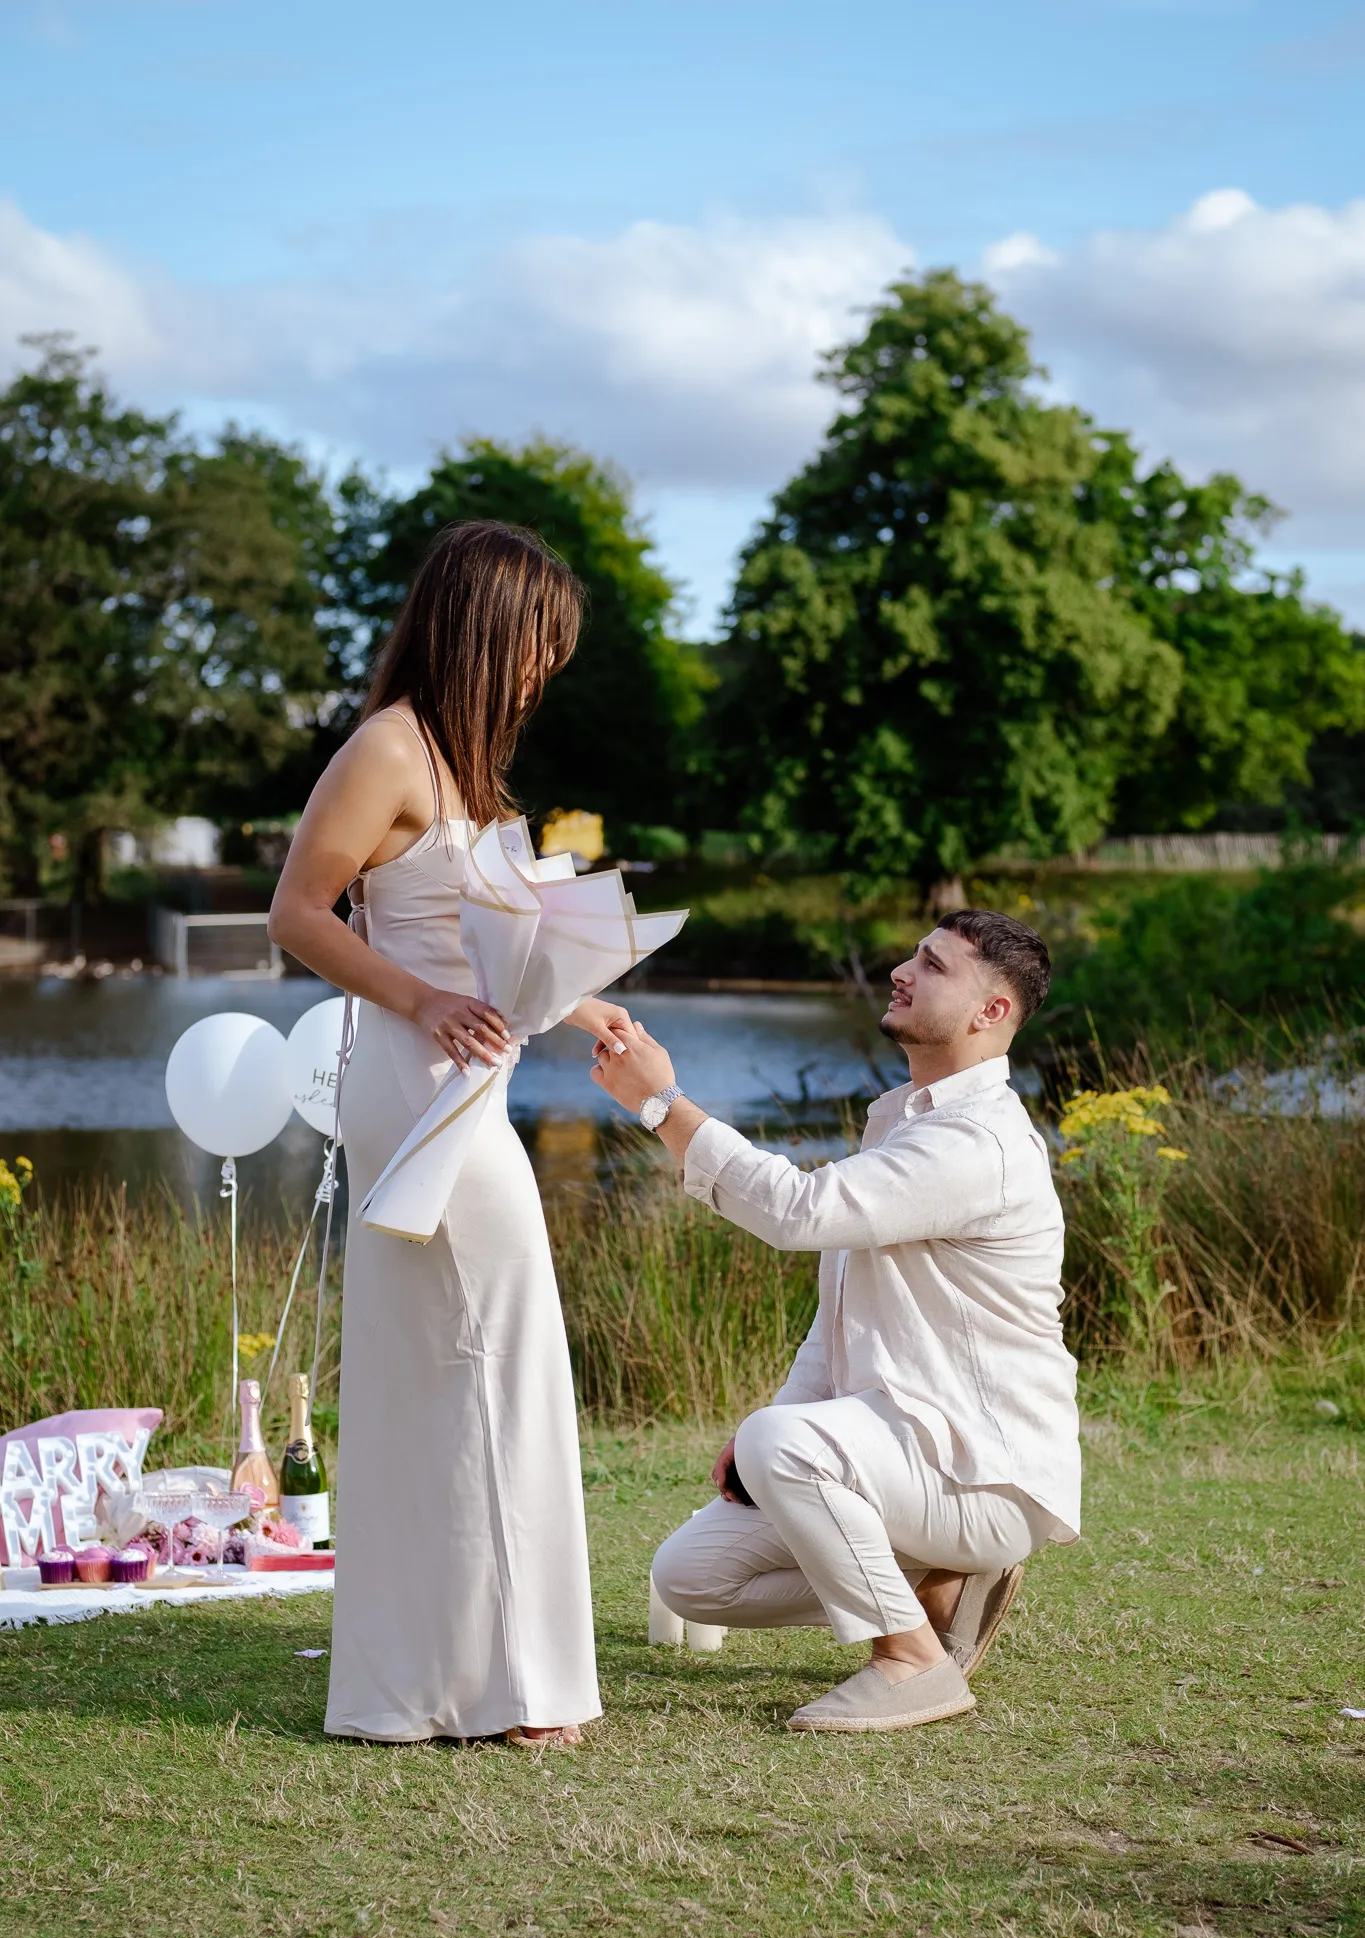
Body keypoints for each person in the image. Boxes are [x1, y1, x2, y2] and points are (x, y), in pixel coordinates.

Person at [270, 520, 626, 1747]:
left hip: (460, 1078)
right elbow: (298, 912)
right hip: (417, 1080)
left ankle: (432, 1677)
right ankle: (510, 1687)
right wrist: (418, 1000)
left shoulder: (464, 767)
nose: (540, 672)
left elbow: (482, 947)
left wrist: (583, 999)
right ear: (481, 626)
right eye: (534, 645)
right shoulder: (388, 748)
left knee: (452, 1372)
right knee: (492, 1363)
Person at [589, 909, 1078, 1734]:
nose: (901, 969)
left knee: (779, 1443)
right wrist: (769, 1433)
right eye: (912, 956)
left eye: (931, 965)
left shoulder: (976, 1143)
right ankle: (942, 1587)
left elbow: (799, 1212)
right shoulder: (904, 1120)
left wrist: (662, 1104)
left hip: (983, 1477)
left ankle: (911, 1663)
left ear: (989, 1013)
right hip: (901, 1457)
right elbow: (837, 1307)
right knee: (693, 1578)